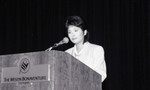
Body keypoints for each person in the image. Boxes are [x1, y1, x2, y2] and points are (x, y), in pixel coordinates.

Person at [65, 16, 107, 82]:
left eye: (75, 30)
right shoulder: (66, 53)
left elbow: (100, 75)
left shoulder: (96, 50)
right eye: (69, 32)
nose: (72, 34)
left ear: (84, 32)